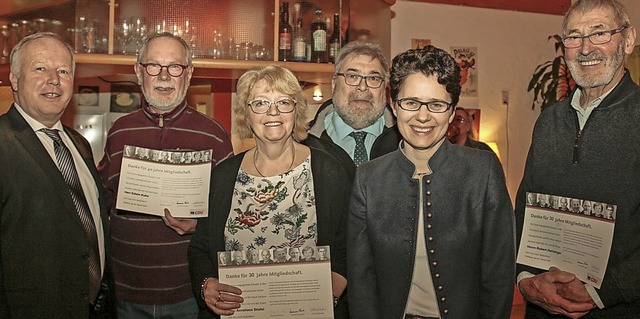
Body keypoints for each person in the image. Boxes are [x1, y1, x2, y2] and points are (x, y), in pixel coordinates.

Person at [348, 45, 515, 319]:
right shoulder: (368, 178)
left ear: (451, 113)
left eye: (436, 105)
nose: (422, 117)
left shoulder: (482, 171)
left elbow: (498, 275)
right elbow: (361, 283)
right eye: (411, 102)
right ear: (393, 106)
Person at [188, 65, 351, 318]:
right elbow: (199, 248)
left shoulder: (329, 170)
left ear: (296, 110)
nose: (272, 112)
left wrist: (325, 298)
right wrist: (206, 284)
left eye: (283, 102)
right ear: (246, 113)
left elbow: (348, 246)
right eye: (261, 103)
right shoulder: (223, 175)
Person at [514, 0, 639, 317]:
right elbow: (524, 207)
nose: (585, 49)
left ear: (628, 40)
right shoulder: (548, 122)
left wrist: (601, 293)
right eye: (573, 36)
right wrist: (526, 278)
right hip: (542, 307)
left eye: (599, 33)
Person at [98, 32, 234, 318]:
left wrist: (200, 225)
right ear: (138, 72)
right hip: (126, 293)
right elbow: (101, 202)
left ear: (189, 73)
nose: (164, 76)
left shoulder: (215, 135)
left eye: (175, 67)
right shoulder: (120, 131)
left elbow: (234, 216)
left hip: (189, 293)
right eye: (153, 66)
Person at [0, 32, 115, 318]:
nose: (54, 79)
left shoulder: (79, 144)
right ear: (14, 79)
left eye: (63, 71)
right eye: (40, 69)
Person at [309, 41, 400, 165]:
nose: (362, 87)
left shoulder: (406, 145)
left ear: (385, 89)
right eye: (352, 76)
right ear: (334, 84)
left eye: (373, 78)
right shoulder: (303, 145)